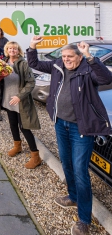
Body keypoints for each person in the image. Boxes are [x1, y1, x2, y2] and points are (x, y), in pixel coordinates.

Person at [27, 36, 112, 235]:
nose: (66, 59)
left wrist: (90, 56)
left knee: (80, 171)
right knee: (66, 163)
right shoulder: (58, 65)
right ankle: (73, 196)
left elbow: (106, 79)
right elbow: (34, 63)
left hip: (80, 128)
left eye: (70, 56)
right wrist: (32, 46)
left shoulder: (87, 69)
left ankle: (84, 220)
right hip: (60, 123)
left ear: (79, 57)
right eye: (64, 56)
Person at [2, 41, 41, 169]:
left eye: (15, 48)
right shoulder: (4, 62)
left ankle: (36, 156)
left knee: (24, 127)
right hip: (8, 98)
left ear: (18, 50)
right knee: (12, 124)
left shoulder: (23, 64)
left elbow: (31, 82)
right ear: (6, 50)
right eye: (10, 48)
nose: (12, 50)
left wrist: (19, 96)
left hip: (20, 100)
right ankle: (17, 146)